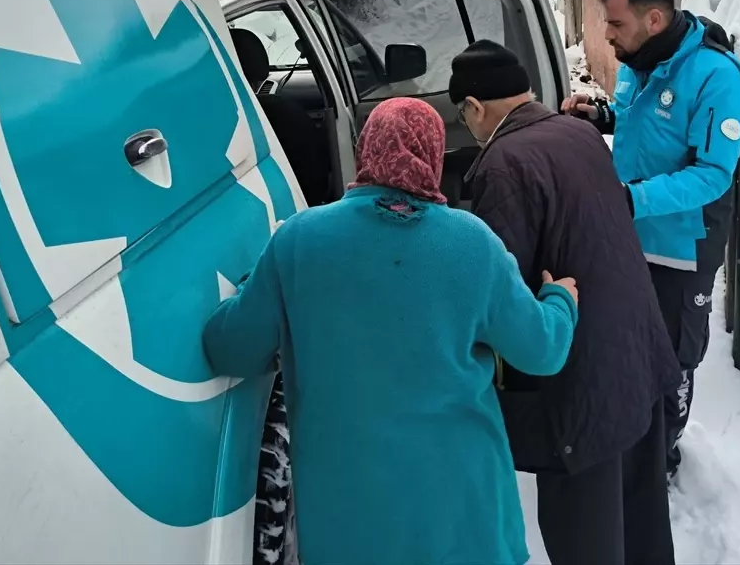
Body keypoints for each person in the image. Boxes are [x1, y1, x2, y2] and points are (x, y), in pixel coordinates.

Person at [202, 96, 579, 565]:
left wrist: (252, 289)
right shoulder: (472, 243)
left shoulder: (298, 241)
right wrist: (561, 299)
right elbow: (544, 350)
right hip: (462, 521)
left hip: (350, 525)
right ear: (435, 156)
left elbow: (229, 349)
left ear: (367, 153)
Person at [451, 40, 680, 565]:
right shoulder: (578, 131)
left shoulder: (502, 166)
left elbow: (500, 293)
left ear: (474, 107)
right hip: (635, 355)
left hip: (581, 382)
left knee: (587, 536)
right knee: (641, 520)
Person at [562, 0, 740, 481]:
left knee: (673, 360)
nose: (606, 34)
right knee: (626, 345)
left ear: (653, 21)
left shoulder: (717, 78)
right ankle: (629, 440)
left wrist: (631, 200)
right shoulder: (640, 63)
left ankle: (661, 464)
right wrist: (603, 115)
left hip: (682, 245)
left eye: (615, 23)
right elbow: (645, 125)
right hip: (631, 235)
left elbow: (712, 174)